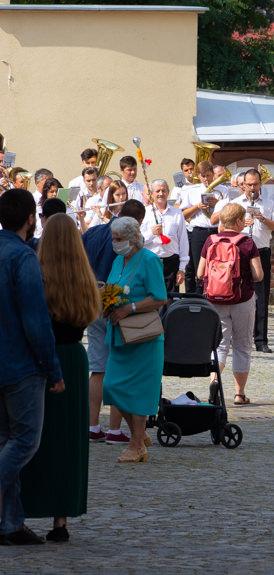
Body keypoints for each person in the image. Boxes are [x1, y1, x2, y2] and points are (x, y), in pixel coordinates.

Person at [20, 214, 100, 543]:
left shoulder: (37, 274)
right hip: (74, 359)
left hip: (41, 358)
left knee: (33, 438)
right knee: (69, 441)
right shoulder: (84, 278)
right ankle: (61, 520)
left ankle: (21, 509)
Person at [0, 189, 64, 546]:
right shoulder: (22, 258)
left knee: (5, 441)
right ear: (30, 219)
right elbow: (36, 322)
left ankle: (9, 523)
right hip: (20, 365)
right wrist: (53, 371)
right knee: (24, 443)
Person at [102, 217, 168, 463]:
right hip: (118, 334)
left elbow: (159, 297)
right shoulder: (119, 260)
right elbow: (111, 288)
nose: (115, 243)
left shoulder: (149, 260)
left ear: (132, 238)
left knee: (139, 392)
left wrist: (129, 307)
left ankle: (137, 443)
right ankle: (138, 436)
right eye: (114, 239)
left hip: (143, 336)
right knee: (112, 387)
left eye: (118, 239)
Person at [82, 200, 146, 444]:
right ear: (138, 221)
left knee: (98, 367)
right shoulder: (126, 237)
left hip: (92, 301)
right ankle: (114, 429)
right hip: (115, 305)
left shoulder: (95, 231)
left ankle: (92, 425)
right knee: (120, 366)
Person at [211, 169, 274, 353]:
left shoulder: (268, 203)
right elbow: (221, 229)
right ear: (243, 185)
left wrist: (263, 220)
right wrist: (242, 225)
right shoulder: (234, 204)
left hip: (261, 252)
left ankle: (261, 340)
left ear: (261, 184)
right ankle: (236, 338)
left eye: (255, 184)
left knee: (261, 296)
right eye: (249, 185)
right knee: (235, 293)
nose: (252, 188)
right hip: (238, 252)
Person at [198, 203, 263, 406]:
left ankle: (215, 382)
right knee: (242, 345)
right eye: (242, 219)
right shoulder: (247, 242)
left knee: (219, 344)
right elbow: (258, 275)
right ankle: (239, 393)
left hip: (215, 299)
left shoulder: (210, 241)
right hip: (242, 299)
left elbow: (200, 273)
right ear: (237, 221)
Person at [141, 179, 189, 293]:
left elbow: (183, 241)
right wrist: (152, 233)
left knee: (170, 300)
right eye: (157, 191)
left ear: (168, 192)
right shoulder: (145, 213)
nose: (161, 194)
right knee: (151, 297)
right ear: (152, 194)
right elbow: (139, 240)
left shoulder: (177, 213)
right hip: (151, 262)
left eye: (163, 190)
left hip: (171, 264)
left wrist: (182, 268)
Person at [179, 161, 220, 293]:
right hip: (199, 232)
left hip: (216, 231)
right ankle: (198, 299)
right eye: (203, 176)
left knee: (217, 266)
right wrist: (197, 207)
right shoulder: (192, 191)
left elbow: (229, 212)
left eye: (208, 175)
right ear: (199, 176)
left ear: (213, 175)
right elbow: (183, 214)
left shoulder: (222, 190)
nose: (206, 179)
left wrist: (218, 204)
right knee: (199, 269)